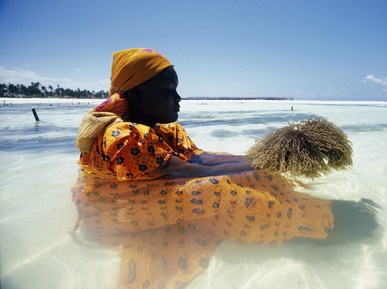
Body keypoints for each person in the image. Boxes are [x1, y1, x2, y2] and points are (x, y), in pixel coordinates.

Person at [71, 48, 343, 289]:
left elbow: (200, 159)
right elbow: (190, 172)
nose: (178, 98)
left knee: (239, 168)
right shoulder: (124, 135)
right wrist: (261, 164)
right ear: (136, 93)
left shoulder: (164, 130)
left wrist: (261, 162)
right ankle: (296, 225)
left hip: (142, 190)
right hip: (110, 208)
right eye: (168, 91)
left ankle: (288, 206)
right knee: (215, 189)